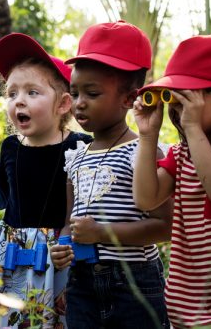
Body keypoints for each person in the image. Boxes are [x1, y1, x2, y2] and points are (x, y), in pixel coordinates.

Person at [0, 33, 90, 328]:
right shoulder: (12, 146)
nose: (19, 101)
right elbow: (3, 187)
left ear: (64, 104)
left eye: (32, 92)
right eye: (12, 93)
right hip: (11, 255)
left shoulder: (80, 146)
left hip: (58, 256)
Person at [50, 21, 171, 329]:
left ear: (129, 99)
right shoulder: (75, 156)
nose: (79, 103)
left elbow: (164, 226)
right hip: (82, 284)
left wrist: (102, 233)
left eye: (92, 93)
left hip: (134, 283)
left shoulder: (143, 152)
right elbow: (70, 219)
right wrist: (63, 245)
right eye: (74, 92)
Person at [132, 35, 211, 328]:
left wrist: (193, 127)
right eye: (173, 99)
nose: (179, 111)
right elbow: (146, 198)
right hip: (185, 311)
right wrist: (147, 136)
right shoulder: (181, 154)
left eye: (188, 98)